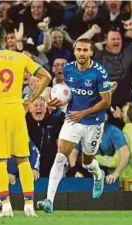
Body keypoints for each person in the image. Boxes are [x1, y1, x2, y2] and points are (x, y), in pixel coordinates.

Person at [0, 24, 52, 217]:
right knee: (23, 159)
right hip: (17, 110)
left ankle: (6, 205)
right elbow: (46, 76)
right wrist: (30, 99)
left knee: (0, 160)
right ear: (7, 38)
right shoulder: (20, 57)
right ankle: (29, 204)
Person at [37, 38, 111, 213]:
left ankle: (98, 174)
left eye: (85, 50)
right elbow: (67, 93)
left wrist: (84, 113)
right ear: (74, 51)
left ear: (91, 52)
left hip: (93, 122)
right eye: (79, 50)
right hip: (72, 119)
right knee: (60, 156)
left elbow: (107, 101)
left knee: (87, 163)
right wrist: (56, 102)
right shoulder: (68, 69)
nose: (82, 53)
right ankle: (49, 201)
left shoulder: (99, 73)